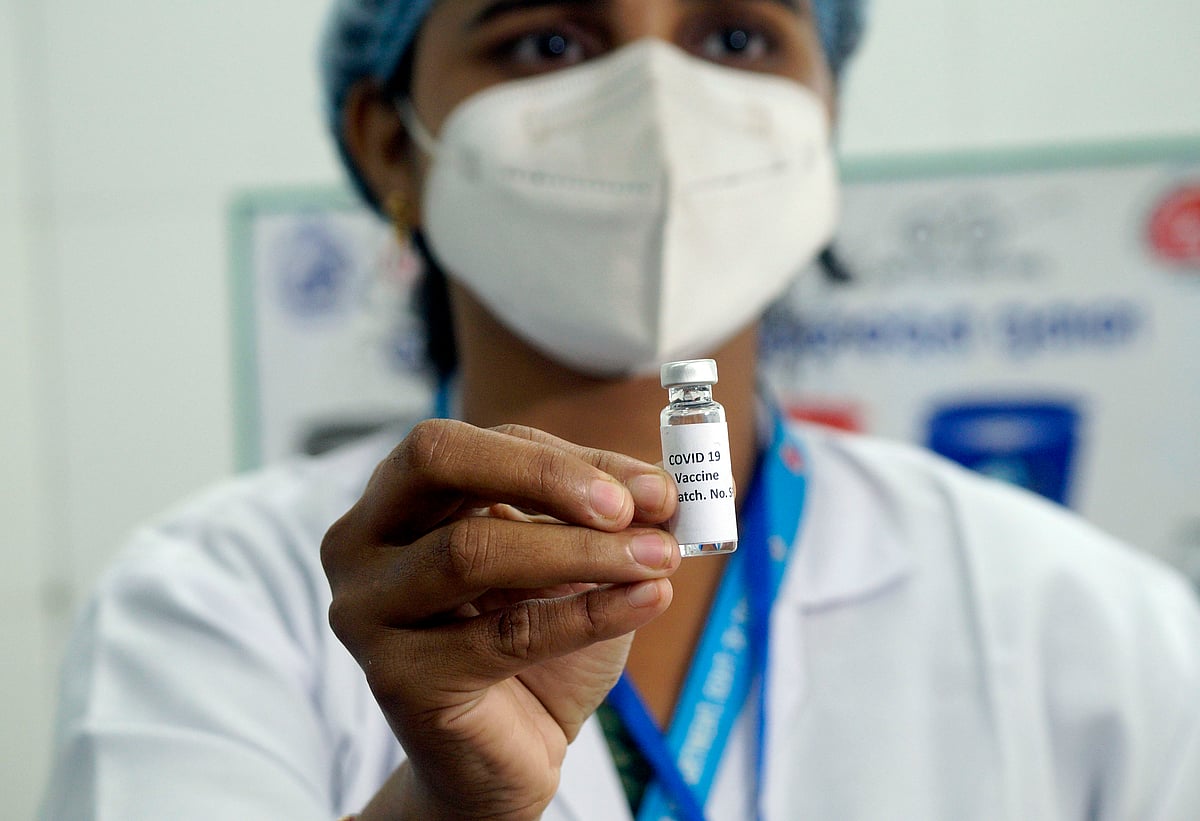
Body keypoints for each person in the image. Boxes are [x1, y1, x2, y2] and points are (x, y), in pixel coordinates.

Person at [42, 1, 1200, 819]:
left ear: (823, 116)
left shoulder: (1088, 620)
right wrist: (439, 812)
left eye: (735, 37)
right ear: (390, 142)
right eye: (547, 40)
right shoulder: (216, 598)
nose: (658, 101)